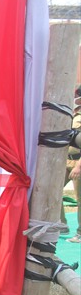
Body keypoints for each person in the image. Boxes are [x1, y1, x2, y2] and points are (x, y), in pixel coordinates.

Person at [66, 85, 81, 243]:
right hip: (66, 159)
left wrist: (78, 166)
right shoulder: (74, 112)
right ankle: (61, 223)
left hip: (78, 161)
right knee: (53, 190)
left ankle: (80, 233)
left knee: (80, 199)